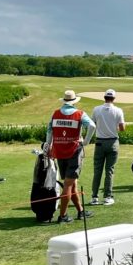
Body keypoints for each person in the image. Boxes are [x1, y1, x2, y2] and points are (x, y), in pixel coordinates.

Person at [46, 89, 96, 223]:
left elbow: (49, 129)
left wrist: (48, 144)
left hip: (59, 152)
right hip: (74, 152)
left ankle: (80, 211)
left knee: (72, 183)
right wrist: (85, 141)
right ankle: (62, 216)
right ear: (74, 102)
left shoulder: (55, 113)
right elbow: (92, 126)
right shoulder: (79, 114)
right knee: (68, 184)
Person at [89, 88, 126, 206]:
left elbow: (92, 124)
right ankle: (107, 197)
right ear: (113, 98)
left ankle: (94, 197)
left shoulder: (96, 109)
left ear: (104, 97)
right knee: (109, 170)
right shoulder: (118, 110)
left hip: (99, 142)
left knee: (97, 170)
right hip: (113, 143)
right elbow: (122, 128)